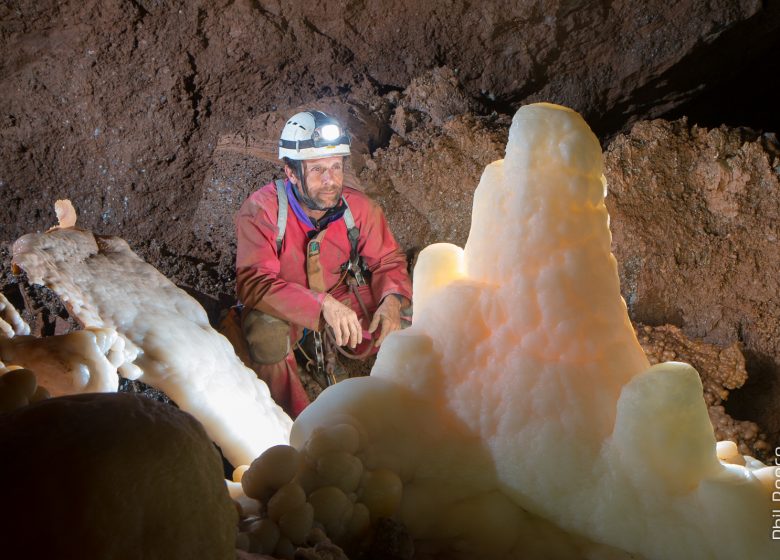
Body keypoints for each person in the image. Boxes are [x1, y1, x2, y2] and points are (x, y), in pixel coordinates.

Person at [235, 110, 412, 416]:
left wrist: (392, 301)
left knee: (409, 318)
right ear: (291, 173)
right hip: (286, 305)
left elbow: (387, 260)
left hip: (342, 295)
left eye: (335, 167)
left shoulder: (358, 208)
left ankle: (411, 403)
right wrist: (321, 306)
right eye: (317, 170)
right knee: (264, 335)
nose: (330, 180)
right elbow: (253, 283)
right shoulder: (262, 211)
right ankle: (298, 425)